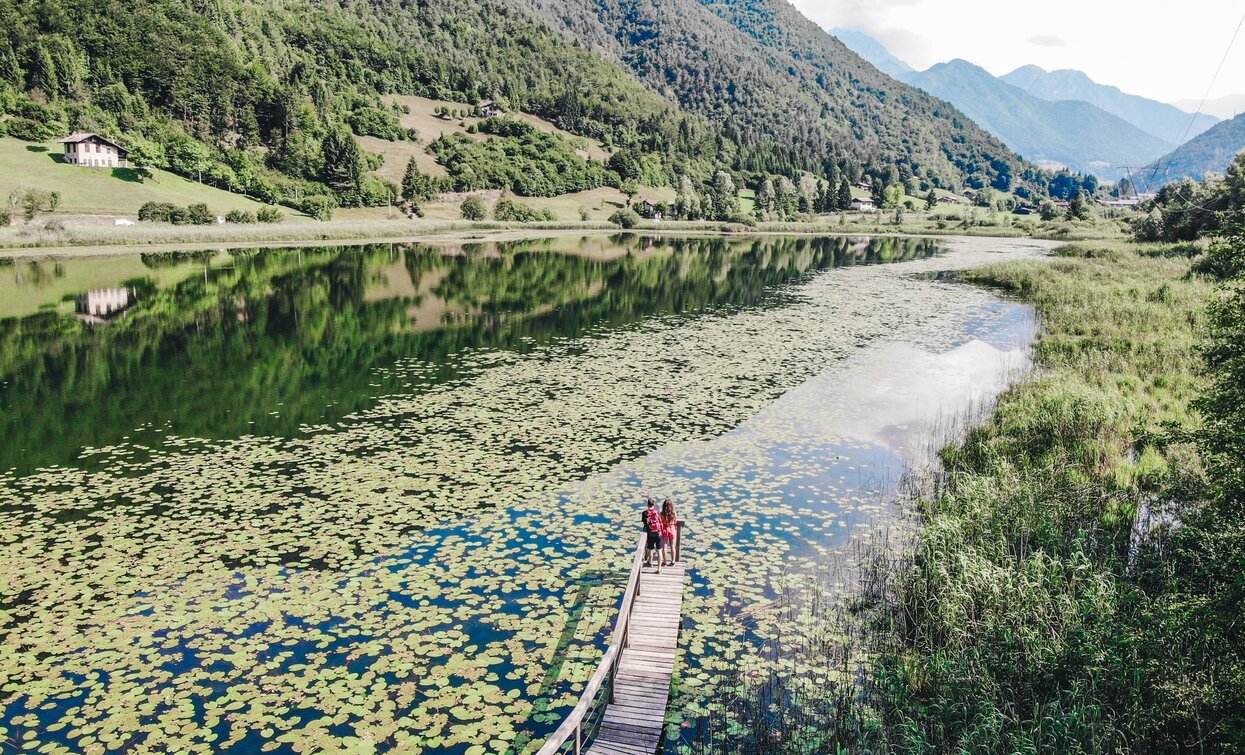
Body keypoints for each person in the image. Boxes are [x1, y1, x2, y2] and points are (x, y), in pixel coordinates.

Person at [641, 498, 663, 573]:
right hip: (658, 533)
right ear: (654, 504)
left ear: (647, 504)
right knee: (659, 550)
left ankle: (650, 562)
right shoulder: (657, 512)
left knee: (650, 549)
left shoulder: (644, 513)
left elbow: (645, 524)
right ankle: (659, 568)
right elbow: (660, 522)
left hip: (650, 534)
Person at [660, 498, 678, 566]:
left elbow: (660, 521)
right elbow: (675, 521)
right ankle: (673, 561)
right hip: (672, 529)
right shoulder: (673, 513)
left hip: (665, 530)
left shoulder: (661, 513)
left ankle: (664, 561)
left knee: (664, 546)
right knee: (672, 545)